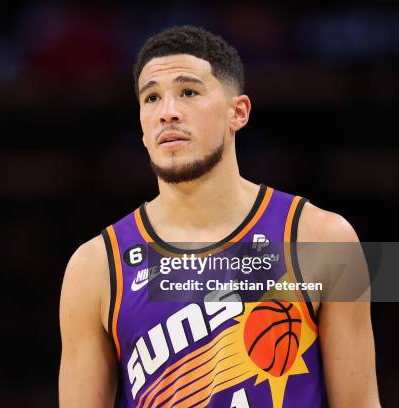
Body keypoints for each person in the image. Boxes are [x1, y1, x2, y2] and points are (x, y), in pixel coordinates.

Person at [59, 25, 379, 407]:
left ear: (238, 112)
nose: (168, 113)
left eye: (189, 92)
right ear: (142, 128)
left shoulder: (326, 239)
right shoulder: (93, 266)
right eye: (151, 98)